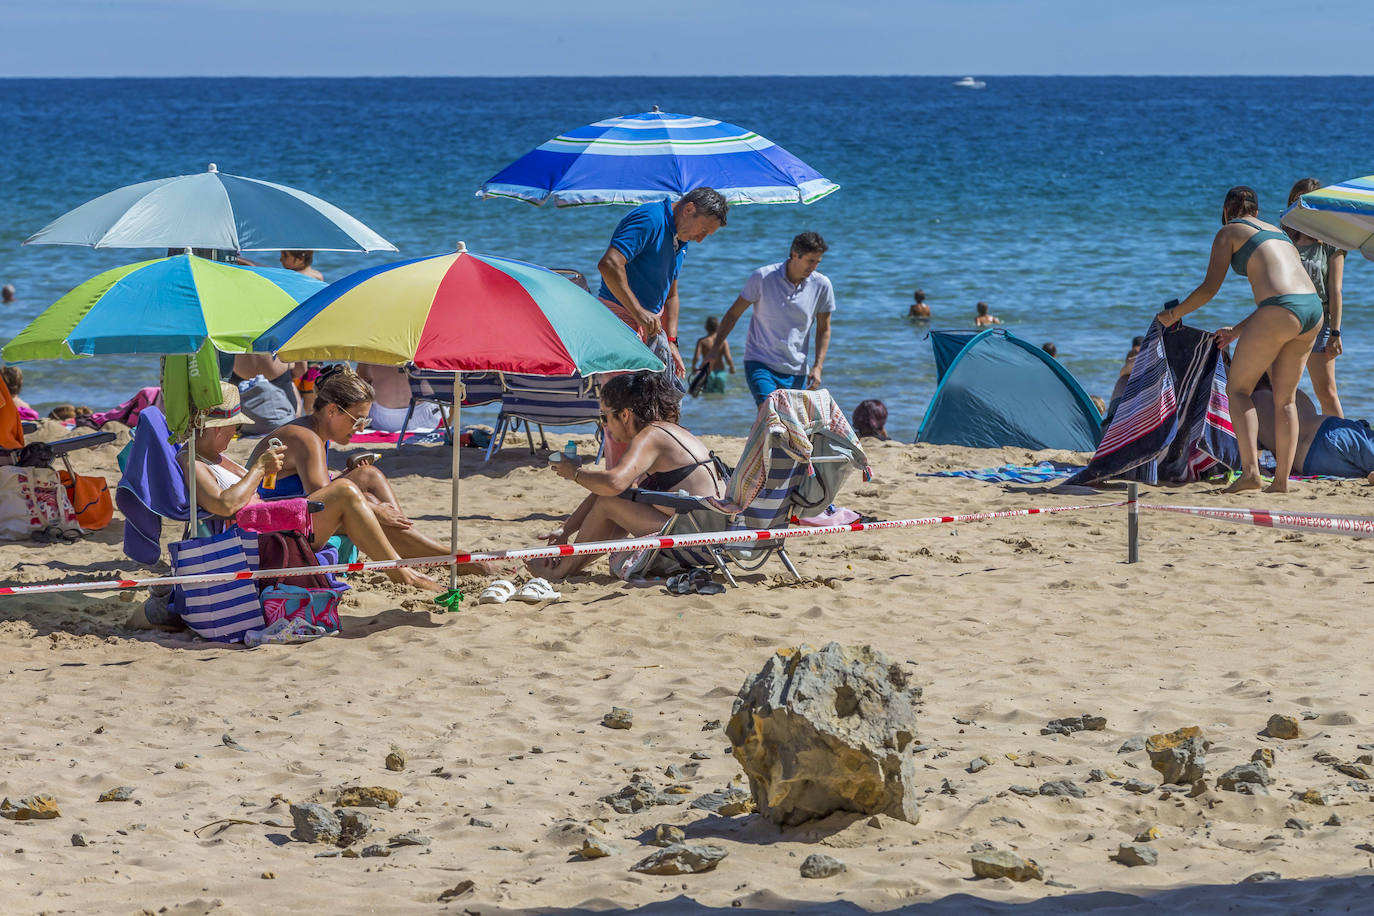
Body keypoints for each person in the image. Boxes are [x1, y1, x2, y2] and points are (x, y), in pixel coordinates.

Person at [182, 382, 443, 592]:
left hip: (267, 520)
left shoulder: (217, 458)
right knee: (349, 494)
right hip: (256, 535)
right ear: (218, 428)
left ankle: (420, 561)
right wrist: (259, 469)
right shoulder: (190, 459)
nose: (235, 432)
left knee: (362, 484)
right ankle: (406, 573)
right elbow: (224, 505)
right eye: (235, 426)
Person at [245, 365, 496, 577]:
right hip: (274, 526)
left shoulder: (315, 431)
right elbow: (323, 499)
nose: (360, 428)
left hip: (291, 513)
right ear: (332, 410)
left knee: (368, 475)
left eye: (365, 421)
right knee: (369, 503)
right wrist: (375, 509)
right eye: (357, 420)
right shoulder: (306, 438)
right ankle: (447, 558)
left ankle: (427, 552)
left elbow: (318, 493)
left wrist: (354, 486)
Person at [1156, 186, 1321, 493]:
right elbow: (1283, 297)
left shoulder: (1228, 232)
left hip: (1281, 310)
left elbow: (1208, 289)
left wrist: (1174, 314)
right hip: (1312, 310)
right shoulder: (1277, 232)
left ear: (1225, 213)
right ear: (1256, 212)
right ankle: (1281, 481)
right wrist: (1237, 330)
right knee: (1285, 399)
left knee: (1238, 389)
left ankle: (1251, 473)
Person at [532, 371, 725, 581]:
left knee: (609, 503)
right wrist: (565, 529)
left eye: (604, 417)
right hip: (715, 535)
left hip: (700, 541)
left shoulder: (650, 436)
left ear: (624, 415)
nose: (603, 425)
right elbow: (619, 487)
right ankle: (574, 562)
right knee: (614, 497)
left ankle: (563, 570)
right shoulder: (668, 431)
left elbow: (614, 483)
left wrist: (575, 473)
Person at [596, 187, 729, 380]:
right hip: (621, 317)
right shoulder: (650, 218)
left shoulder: (681, 239)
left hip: (652, 325)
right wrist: (639, 312)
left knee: (660, 402)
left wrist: (672, 341)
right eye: (702, 230)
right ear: (689, 209)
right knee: (623, 401)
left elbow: (671, 296)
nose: (700, 240)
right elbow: (609, 264)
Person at [705, 231, 835, 407]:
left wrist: (818, 366)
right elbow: (733, 314)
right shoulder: (762, 277)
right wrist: (714, 349)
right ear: (795, 254)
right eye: (810, 261)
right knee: (770, 412)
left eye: (818, 262)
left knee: (793, 425)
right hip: (760, 361)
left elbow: (823, 329)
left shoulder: (822, 285)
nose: (814, 267)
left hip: (797, 368)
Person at [1285, 178, 1346, 418]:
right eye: (1296, 201)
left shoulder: (1332, 243)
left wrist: (1336, 332)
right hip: (1286, 321)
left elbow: (1335, 291)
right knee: (1280, 390)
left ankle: (1347, 449)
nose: (1300, 207)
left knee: (1327, 393)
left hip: (1319, 324)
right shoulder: (1283, 239)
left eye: (1306, 202)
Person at [1251, 384, 1374, 482]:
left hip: (1311, 462)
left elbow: (1252, 456)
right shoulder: (1292, 391)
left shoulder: (1248, 407)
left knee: (1363, 474)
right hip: (1330, 432)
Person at [356, 363, 443, 433]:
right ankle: (447, 427)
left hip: (384, 420)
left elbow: (360, 388)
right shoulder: (423, 347)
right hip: (427, 417)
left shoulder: (372, 352)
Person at [691, 316, 734, 394]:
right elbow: (728, 357)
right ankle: (720, 406)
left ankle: (708, 406)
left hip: (708, 372)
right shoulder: (723, 341)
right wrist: (731, 367)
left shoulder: (702, 341)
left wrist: (694, 367)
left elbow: (696, 357)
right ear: (718, 327)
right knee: (720, 394)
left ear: (706, 327)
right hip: (720, 371)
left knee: (707, 393)